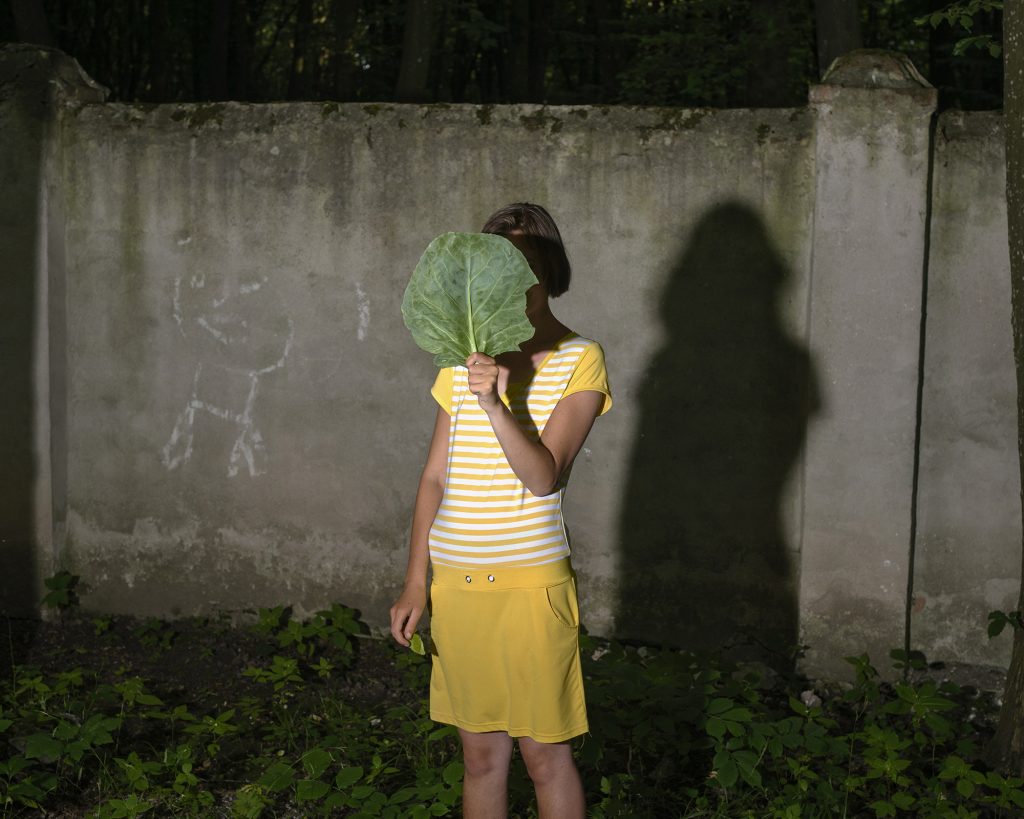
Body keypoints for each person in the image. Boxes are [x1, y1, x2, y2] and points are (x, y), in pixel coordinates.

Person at [389, 202, 612, 818]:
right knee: (481, 760)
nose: (514, 279)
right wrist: (415, 582)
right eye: (499, 265)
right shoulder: (461, 362)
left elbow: (543, 478)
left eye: (527, 265)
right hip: (457, 586)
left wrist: (495, 402)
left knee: (545, 758)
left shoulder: (581, 358)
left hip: (529, 588)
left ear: (550, 271)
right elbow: (434, 477)